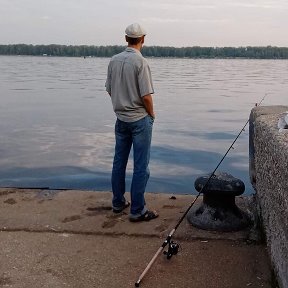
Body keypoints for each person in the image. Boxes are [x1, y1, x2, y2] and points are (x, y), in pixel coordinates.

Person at [105, 23, 158, 222]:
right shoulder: (140, 62)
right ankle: (137, 210)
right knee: (141, 166)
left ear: (126, 38)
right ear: (143, 39)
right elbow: (146, 96)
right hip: (139, 120)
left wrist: (121, 103)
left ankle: (118, 202)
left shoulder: (114, 60)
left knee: (119, 162)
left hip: (121, 119)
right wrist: (151, 115)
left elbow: (109, 89)